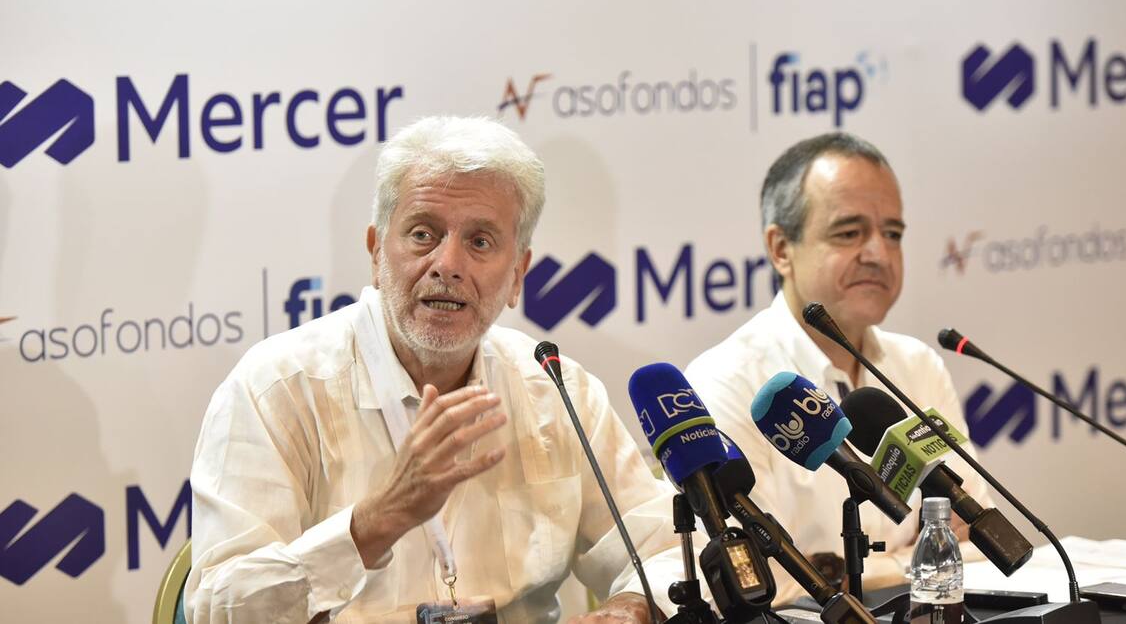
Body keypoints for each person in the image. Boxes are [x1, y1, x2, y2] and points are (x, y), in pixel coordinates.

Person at [186, 117, 683, 624]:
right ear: (376, 252)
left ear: (518, 274)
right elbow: (216, 609)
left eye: (480, 242)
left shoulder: (554, 390)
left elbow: (669, 548)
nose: (448, 264)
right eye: (423, 234)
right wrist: (376, 520)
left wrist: (631, 608)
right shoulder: (278, 388)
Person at [685, 132, 993, 604]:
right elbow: (760, 581)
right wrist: (915, 561)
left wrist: (861, 572)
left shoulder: (917, 366)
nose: (879, 254)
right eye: (849, 233)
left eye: (893, 234)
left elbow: (978, 534)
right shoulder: (726, 382)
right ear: (781, 248)